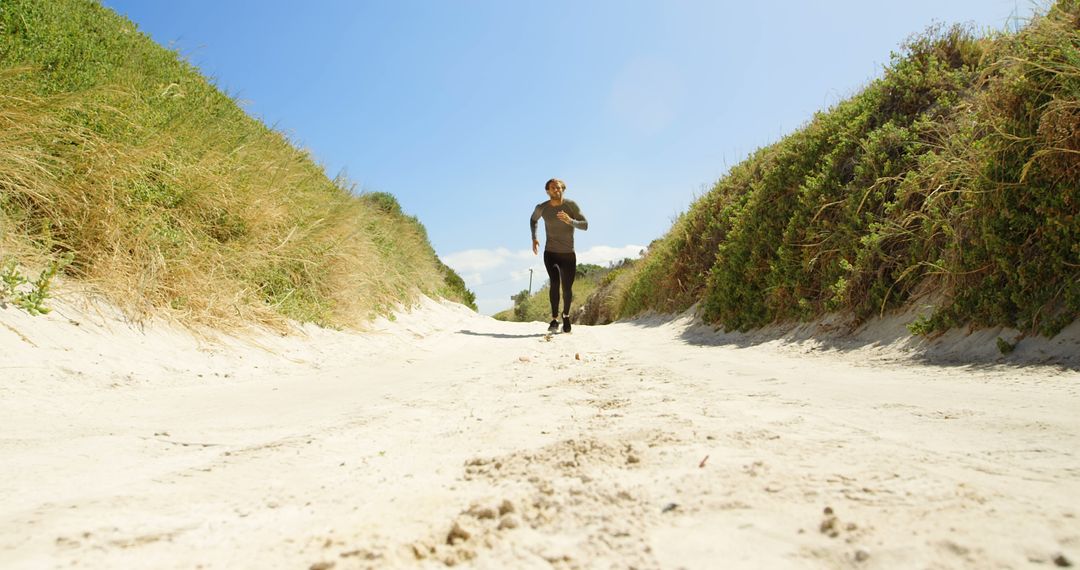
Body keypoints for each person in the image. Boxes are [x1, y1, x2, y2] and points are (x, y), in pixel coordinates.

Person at [530, 178, 588, 333]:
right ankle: (555, 319)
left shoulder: (571, 205)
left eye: (559, 188)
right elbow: (533, 220)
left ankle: (566, 315)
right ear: (547, 191)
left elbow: (585, 225)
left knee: (567, 288)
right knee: (554, 283)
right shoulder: (542, 208)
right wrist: (534, 237)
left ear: (563, 189)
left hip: (568, 254)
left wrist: (570, 221)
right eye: (553, 188)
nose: (556, 190)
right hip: (550, 253)